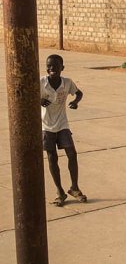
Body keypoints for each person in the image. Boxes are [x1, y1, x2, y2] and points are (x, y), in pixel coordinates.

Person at [40, 54, 87, 207]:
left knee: (72, 154)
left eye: (55, 65)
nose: (51, 68)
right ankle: (59, 191)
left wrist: (75, 101)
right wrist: (39, 100)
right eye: (49, 65)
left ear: (62, 68)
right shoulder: (41, 82)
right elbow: (30, 95)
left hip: (62, 124)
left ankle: (74, 188)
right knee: (52, 157)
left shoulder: (67, 83)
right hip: (46, 126)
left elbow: (79, 93)